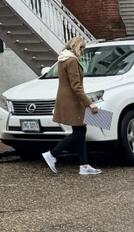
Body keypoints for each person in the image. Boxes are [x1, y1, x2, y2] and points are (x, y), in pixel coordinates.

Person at [42, 36, 102, 176]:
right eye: (83, 49)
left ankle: (84, 165)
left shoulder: (62, 59)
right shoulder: (72, 61)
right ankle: (52, 154)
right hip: (73, 101)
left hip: (67, 99)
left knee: (81, 131)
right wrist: (90, 103)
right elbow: (76, 86)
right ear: (78, 48)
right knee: (78, 133)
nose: (83, 52)